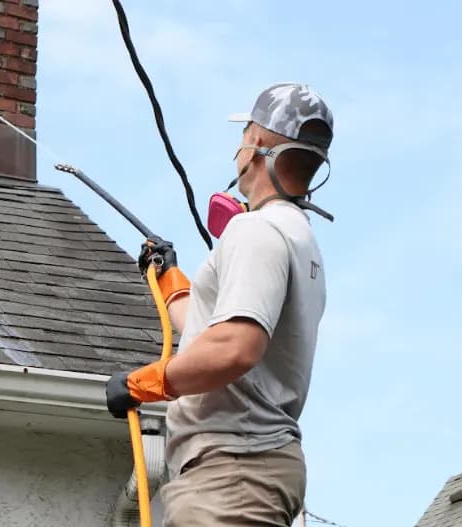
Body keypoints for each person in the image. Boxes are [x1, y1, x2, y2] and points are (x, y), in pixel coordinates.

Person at [106, 83, 334, 526]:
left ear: (259, 146)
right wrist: (172, 282)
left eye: (244, 135)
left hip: (232, 473)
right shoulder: (300, 240)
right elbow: (213, 331)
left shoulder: (257, 232)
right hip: (247, 468)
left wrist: (141, 385)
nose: (239, 148)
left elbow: (233, 349)